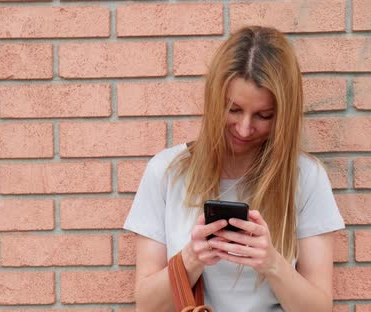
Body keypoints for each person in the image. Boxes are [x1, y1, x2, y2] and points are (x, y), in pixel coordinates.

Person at [123, 25, 344, 312]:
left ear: (283, 116)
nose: (244, 128)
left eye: (264, 115)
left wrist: (272, 263)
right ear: (215, 100)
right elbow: (146, 306)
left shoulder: (306, 177)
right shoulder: (166, 172)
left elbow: (319, 309)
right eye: (234, 109)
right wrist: (192, 258)